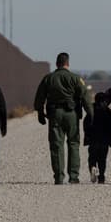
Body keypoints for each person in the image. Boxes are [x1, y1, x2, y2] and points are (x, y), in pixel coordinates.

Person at [34, 52, 92, 184]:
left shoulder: (48, 78)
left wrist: (40, 113)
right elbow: (85, 97)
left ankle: (59, 177)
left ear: (56, 63)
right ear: (68, 63)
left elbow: (39, 98)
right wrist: (91, 114)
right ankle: (73, 177)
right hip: (72, 115)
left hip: (55, 115)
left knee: (56, 145)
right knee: (73, 144)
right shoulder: (76, 78)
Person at [84, 91, 111, 184]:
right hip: (104, 139)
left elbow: (86, 124)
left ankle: (93, 167)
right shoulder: (108, 111)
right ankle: (101, 177)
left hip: (93, 139)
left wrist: (87, 135)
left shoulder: (91, 109)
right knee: (102, 159)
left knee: (92, 157)